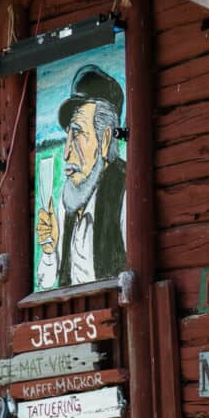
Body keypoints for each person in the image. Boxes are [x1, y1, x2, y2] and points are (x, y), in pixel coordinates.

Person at [36, 65, 128, 288]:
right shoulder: (67, 199)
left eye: (77, 134)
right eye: (67, 135)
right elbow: (46, 283)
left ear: (105, 141)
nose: (66, 152)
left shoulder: (126, 192)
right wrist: (49, 250)